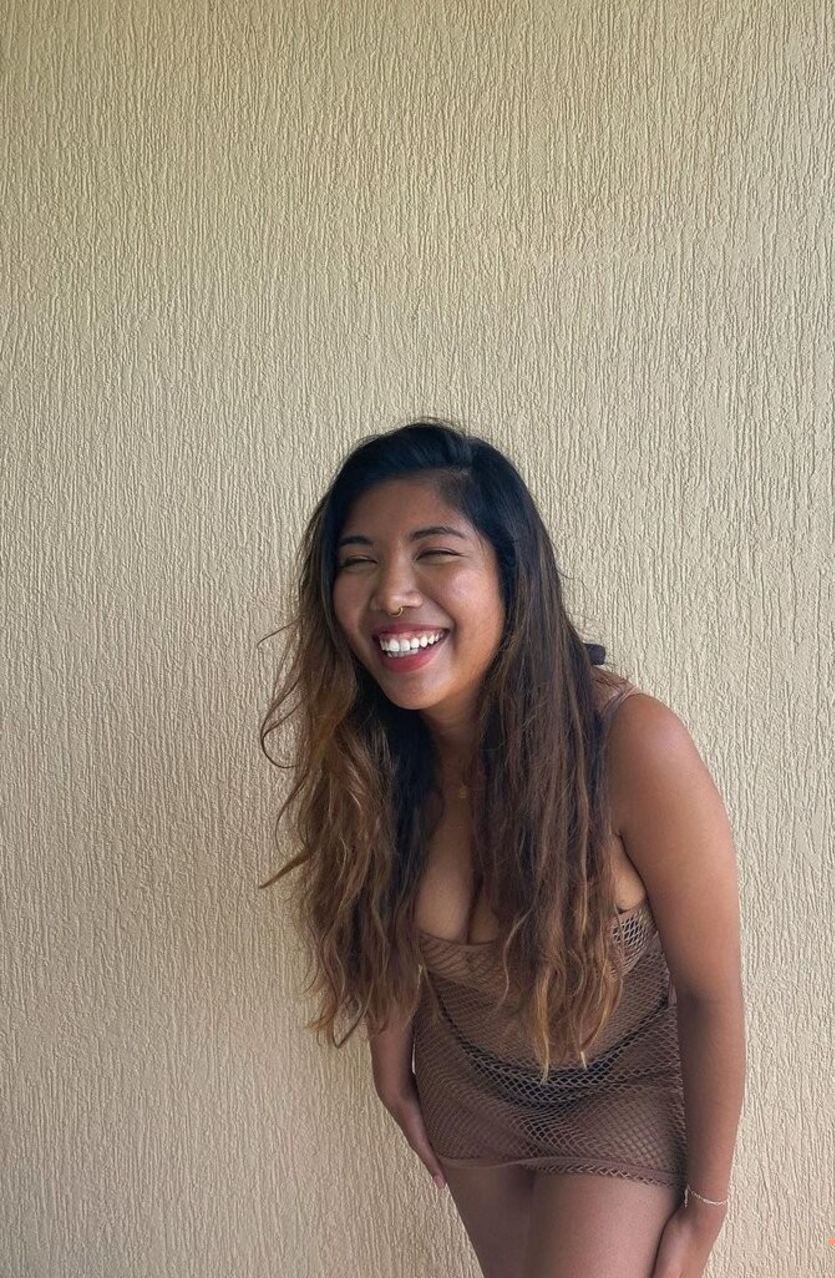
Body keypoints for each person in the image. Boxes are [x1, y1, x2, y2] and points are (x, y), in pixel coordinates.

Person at [262, 421, 745, 1278]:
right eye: (358, 560)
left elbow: (710, 994)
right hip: (466, 1092)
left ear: (511, 576)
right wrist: (390, 1066)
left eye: (435, 554)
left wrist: (703, 1214)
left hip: (620, 1090)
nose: (391, 593)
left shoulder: (631, 746)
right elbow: (381, 925)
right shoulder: (375, 755)